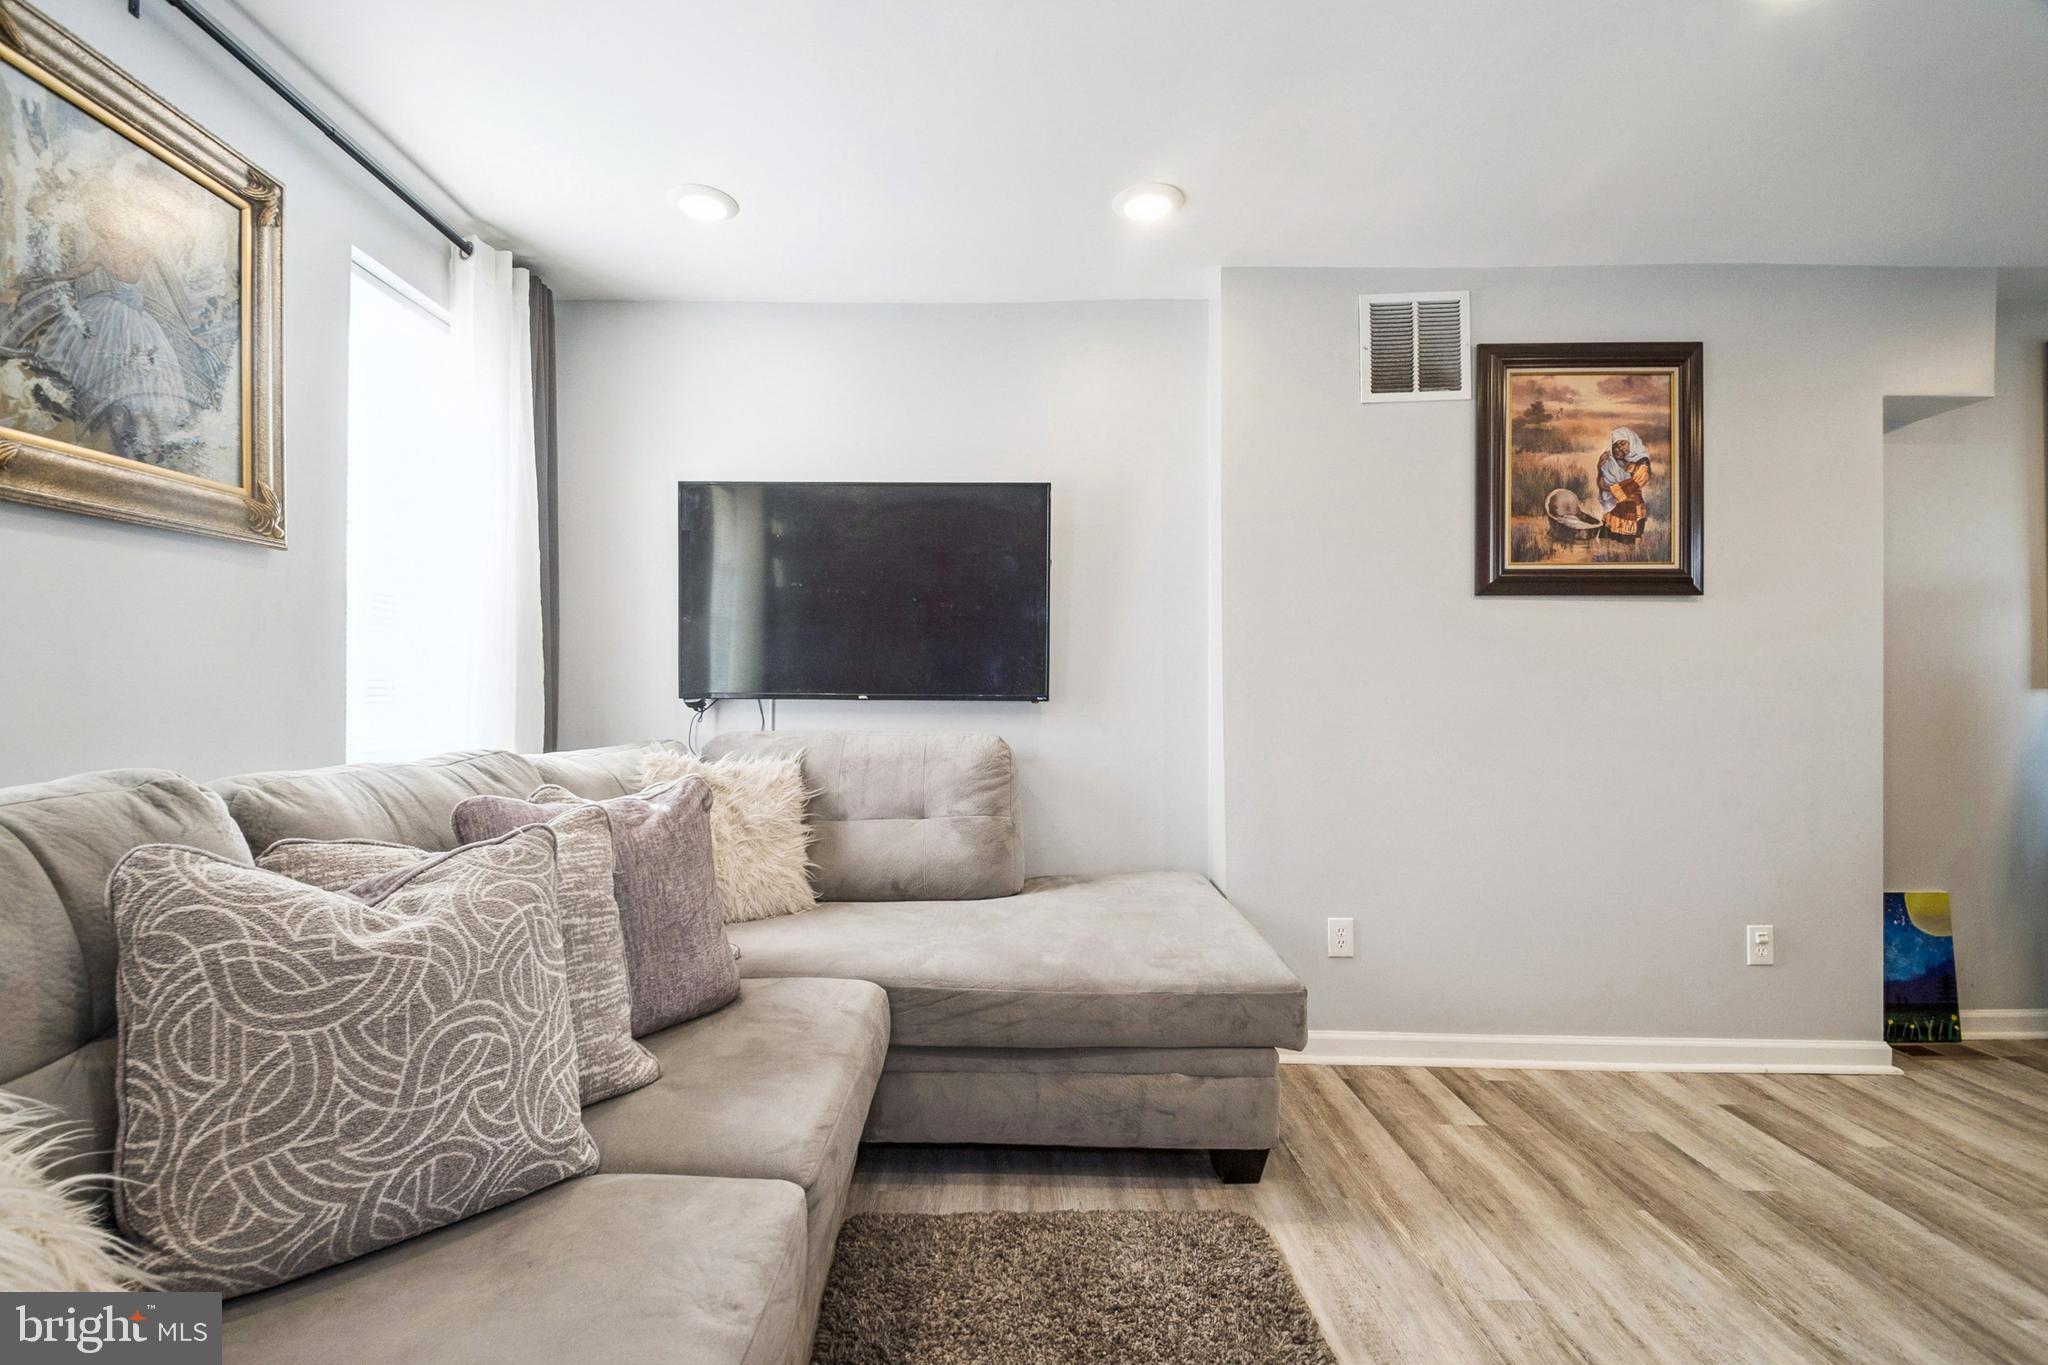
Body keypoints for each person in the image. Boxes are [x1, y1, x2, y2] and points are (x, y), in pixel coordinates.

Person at [1596, 426, 1652, 541]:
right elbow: (1603, 481)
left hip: (1633, 509)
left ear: (1632, 442)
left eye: (1623, 444)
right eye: (1615, 446)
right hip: (1615, 510)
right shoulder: (1614, 462)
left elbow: (1635, 483)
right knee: (1608, 543)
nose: (1619, 449)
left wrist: (1607, 487)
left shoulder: (1642, 462)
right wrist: (1599, 468)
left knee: (1628, 549)